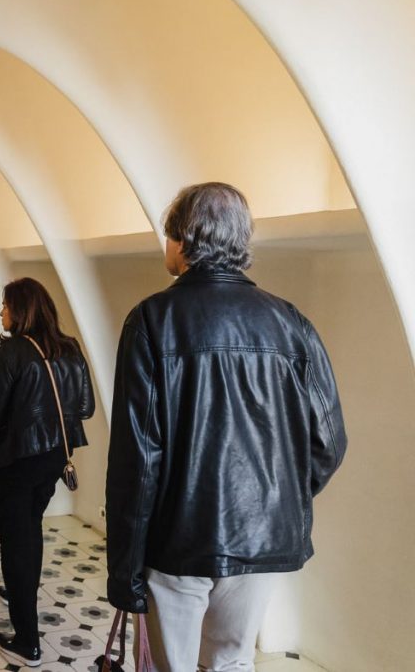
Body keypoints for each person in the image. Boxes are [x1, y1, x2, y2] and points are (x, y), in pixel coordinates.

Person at [106, 182, 347, 671]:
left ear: (185, 240)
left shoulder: (153, 320)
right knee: (233, 663)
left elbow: (138, 457)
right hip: (261, 539)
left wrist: (124, 569)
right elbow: (329, 441)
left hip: (176, 539)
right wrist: (275, 497)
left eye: (168, 234)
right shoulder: (290, 323)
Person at [0, 278, 95, 668]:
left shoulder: (11, 353)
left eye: (4, 305)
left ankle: (27, 643)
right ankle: (19, 591)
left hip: (16, 460)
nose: (0, 312)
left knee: (15, 541)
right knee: (29, 529)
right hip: (54, 457)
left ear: (20, 311)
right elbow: (86, 408)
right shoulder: (69, 348)